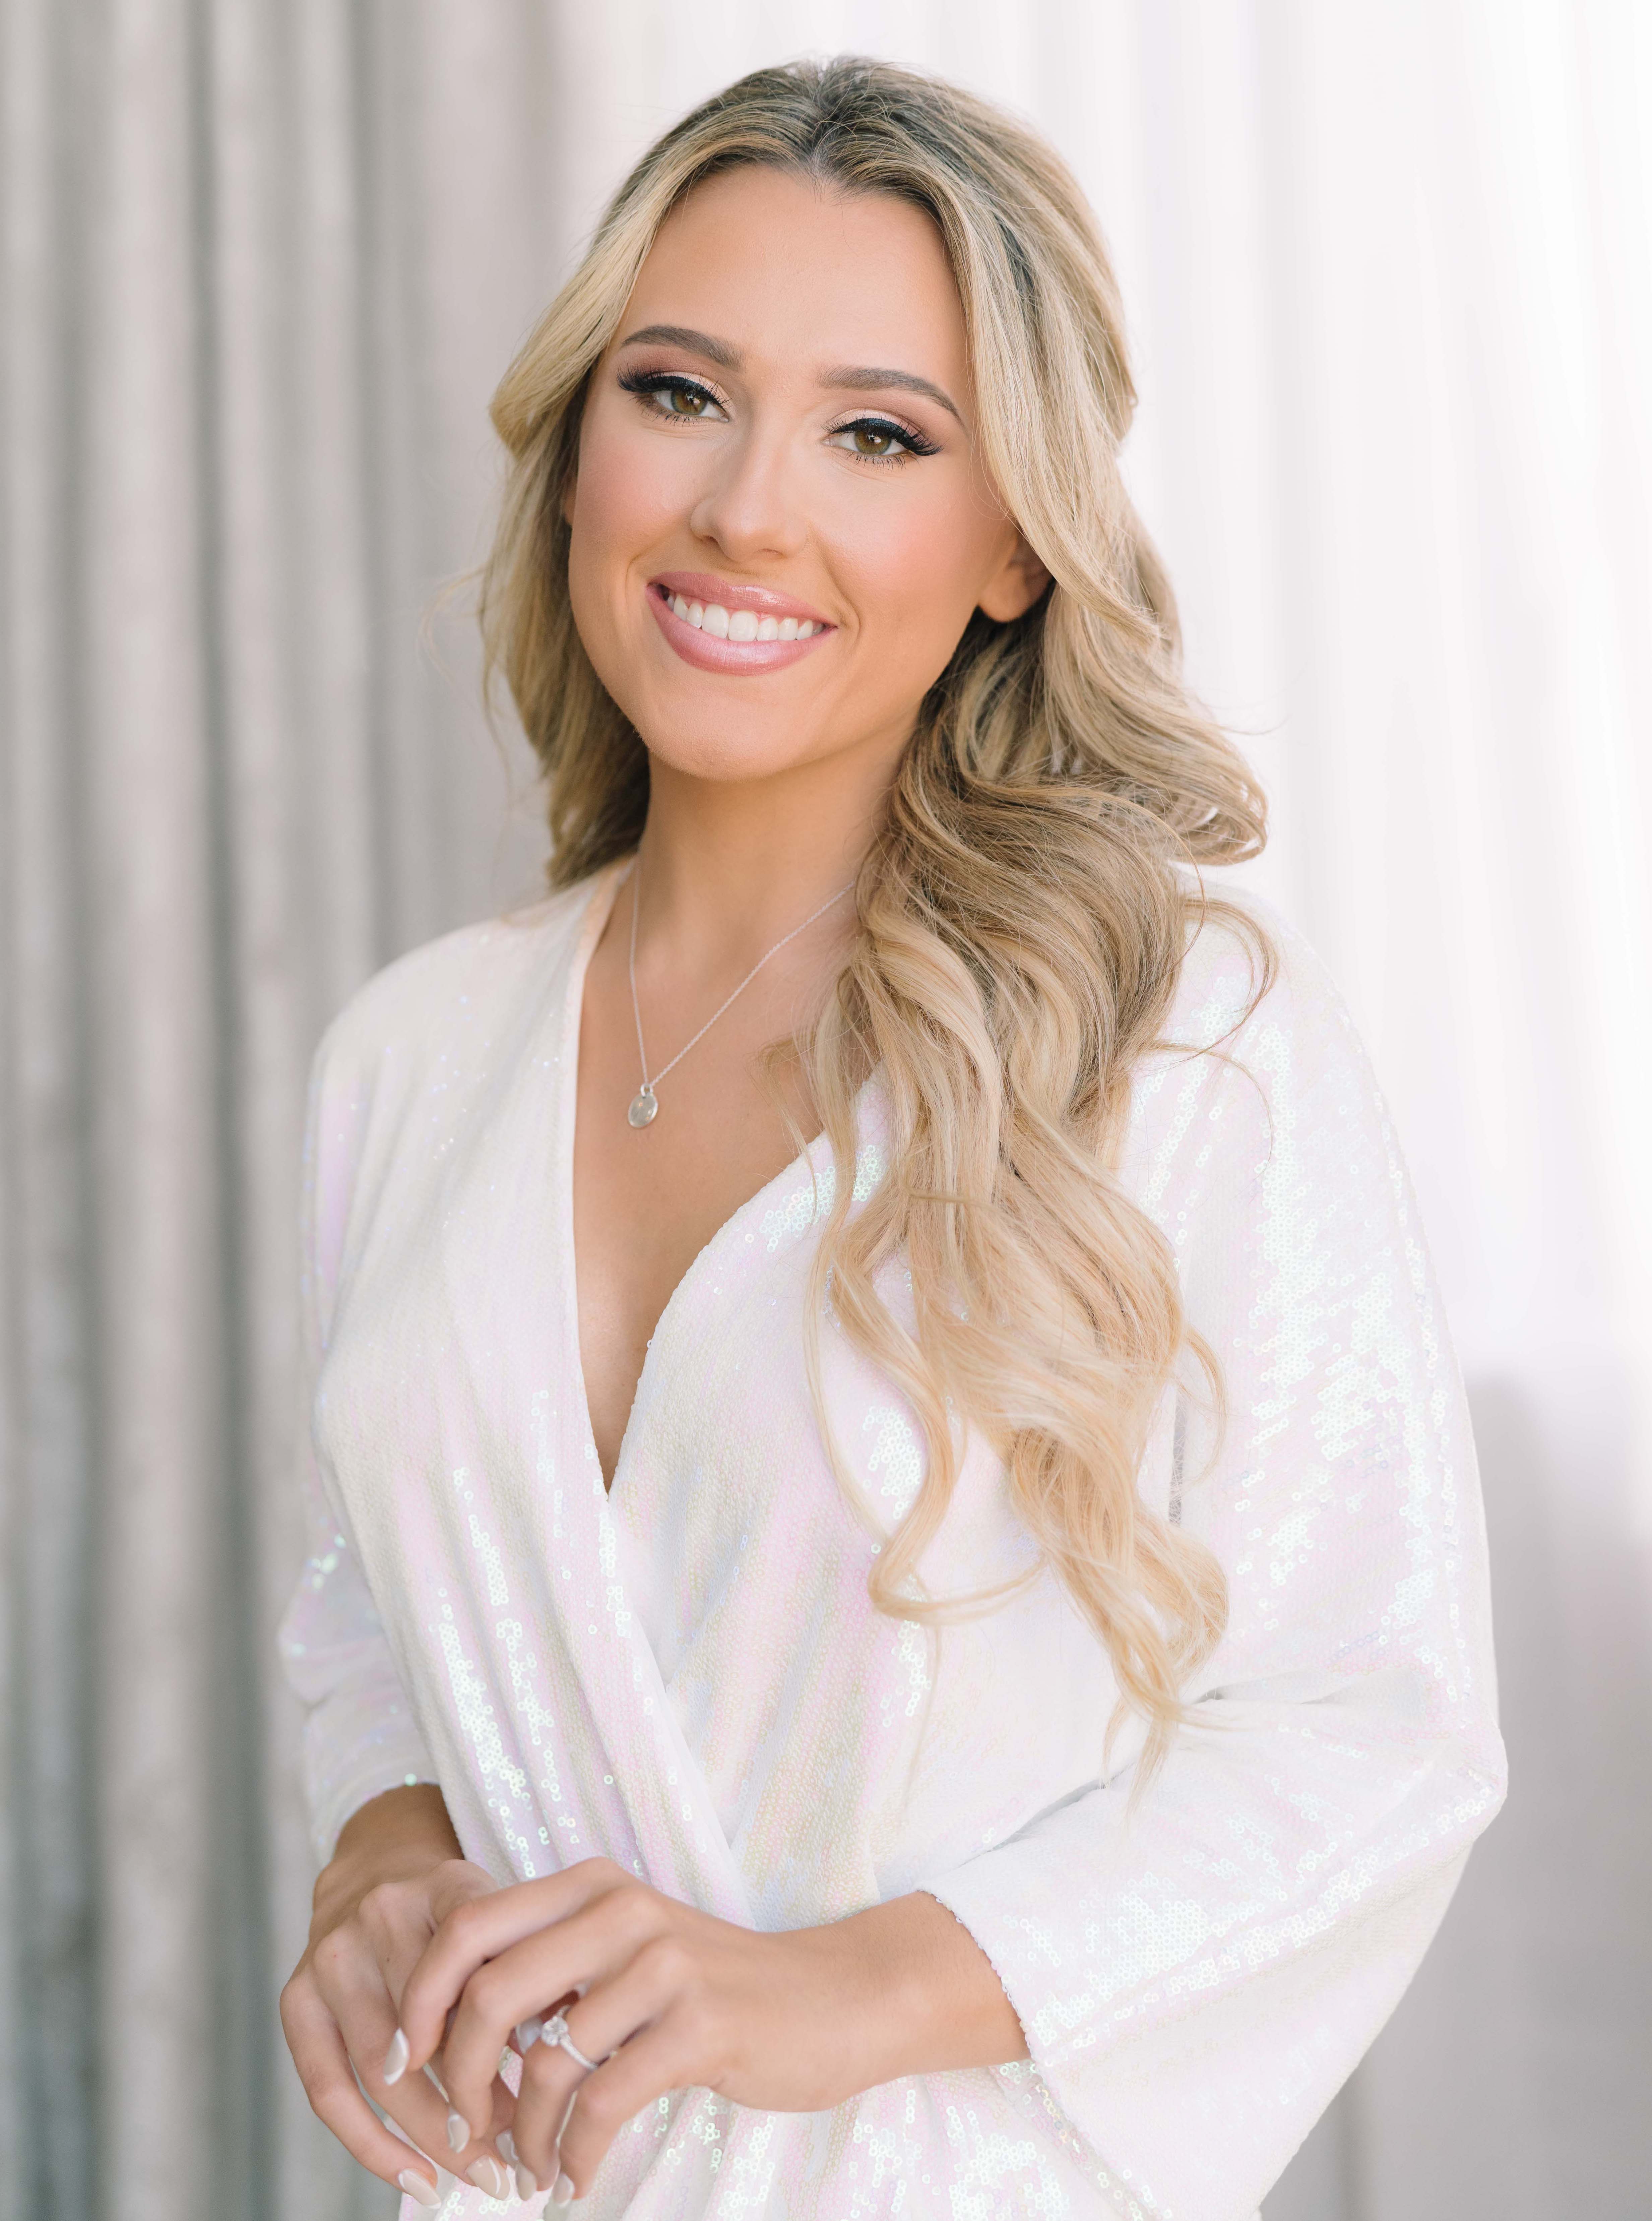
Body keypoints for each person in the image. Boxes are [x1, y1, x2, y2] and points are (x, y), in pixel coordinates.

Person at [275, 55, 1505, 2221]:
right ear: (579, 449)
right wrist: (384, 1863)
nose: (749, 507)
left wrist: (821, 1990)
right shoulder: (410, 1054)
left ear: (1014, 540)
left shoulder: (1178, 1047)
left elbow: (1370, 1727)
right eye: (677, 392)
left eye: (877, 432)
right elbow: (368, 1605)